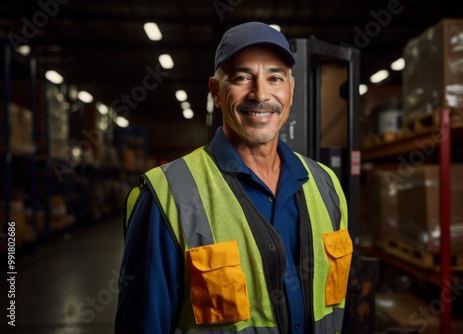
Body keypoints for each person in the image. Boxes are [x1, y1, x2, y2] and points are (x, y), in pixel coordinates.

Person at [115, 21, 352, 334]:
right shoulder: (167, 196)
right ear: (215, 91)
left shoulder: (326, 185)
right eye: (242, 77)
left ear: (291, 91)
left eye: (275, 77)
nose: (260, 94)